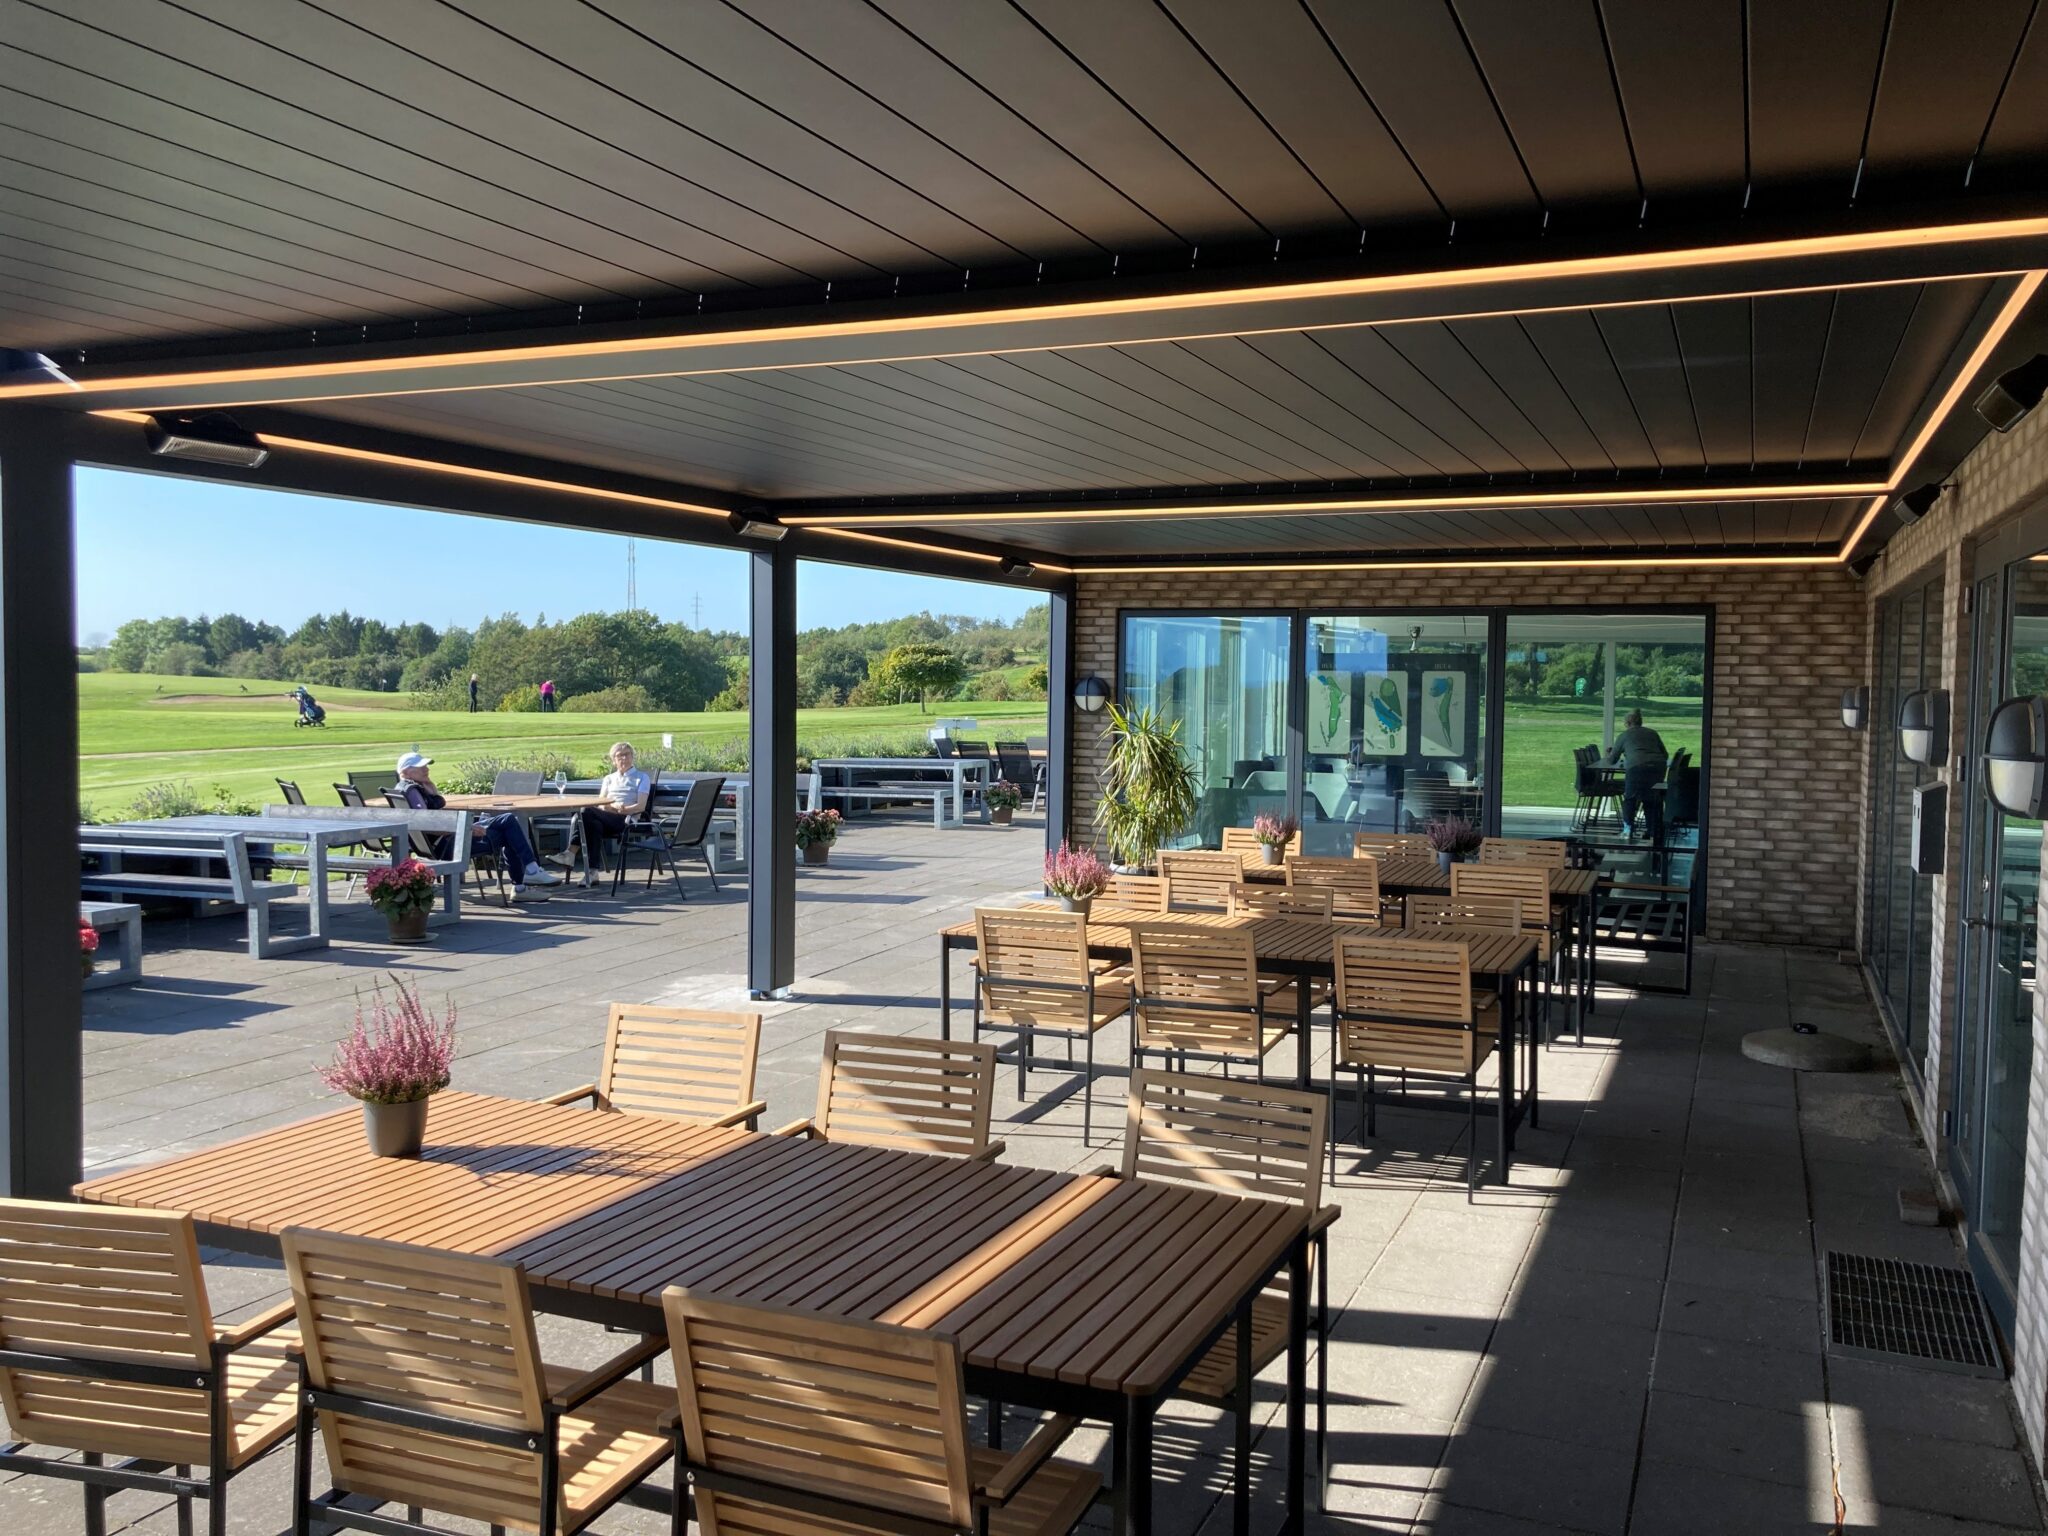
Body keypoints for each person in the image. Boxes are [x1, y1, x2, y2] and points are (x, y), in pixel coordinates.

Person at [392, 752, 562, 903]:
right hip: (450, 845)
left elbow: (428, 820)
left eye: (426, 766)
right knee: (509, 828)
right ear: (406, 772)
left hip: (442, 843)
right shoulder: (413, 792)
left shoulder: (405, 789)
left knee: (507, 822)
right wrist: (466, 828)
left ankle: (527, 878)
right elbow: (427, 824)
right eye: (421, 767)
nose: (426, 769)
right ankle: (524, 882)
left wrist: (432, 788)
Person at [554, 741, 650, 887]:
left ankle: (570, 853)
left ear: (632, 757)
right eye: (619, 756)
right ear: (613, 760)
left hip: (627, 819)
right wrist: (612, 807)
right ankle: (593, 873)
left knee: (585, 811)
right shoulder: (609, 779)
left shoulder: (642, 777)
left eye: (627, 754)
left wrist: (622, 809)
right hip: (607, 817)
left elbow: (641, 806)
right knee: (593, 825)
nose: (624, 758)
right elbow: (600, 803)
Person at [1604, 709, 1670, 844]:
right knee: (1652, 798)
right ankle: (1653, 831)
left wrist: (1609, 753)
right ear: (1640, 722)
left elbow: (1612, 761)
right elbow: (1665, 755)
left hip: (1636, 767)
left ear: (1627, 723)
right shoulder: (1652, 733)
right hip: (1658, 767)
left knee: (1630, 798)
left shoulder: (1624, 736)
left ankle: (1628, 830)